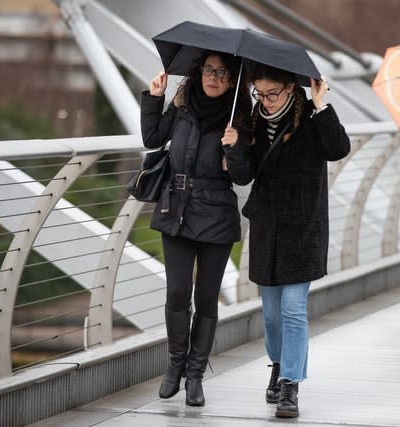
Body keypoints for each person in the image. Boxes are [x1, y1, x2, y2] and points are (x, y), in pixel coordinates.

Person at [224, 64, 350, 418]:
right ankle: (278, 364)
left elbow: (338, 148)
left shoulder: (311, 117)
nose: (265, 101)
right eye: (259, 94)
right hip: (267, 227)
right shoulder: (252, 123)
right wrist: (234, 147)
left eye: (271, 94)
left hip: (303, 227)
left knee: (294, 310)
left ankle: (291, 385)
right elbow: (243, 174)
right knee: (271, 316)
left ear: (290, 89)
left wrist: (321, 104)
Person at [140, 51, 252, 406]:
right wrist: (155, 99)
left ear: (232, 80)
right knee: (176, 293)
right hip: (177, 208)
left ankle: (195, 376)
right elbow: (153, 139)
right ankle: (174, 367)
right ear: (199, 72)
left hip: (217, 212)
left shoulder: (239, 119)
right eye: (208, 70)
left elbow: (243, 175)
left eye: (221, 72)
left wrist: (234, 149)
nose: (214, 77)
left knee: (206, 298)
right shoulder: (182, 104)